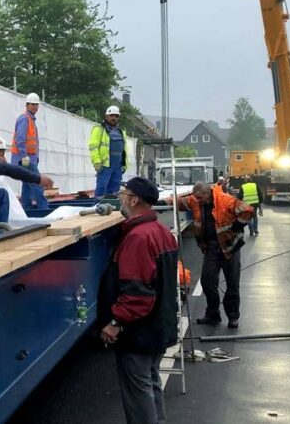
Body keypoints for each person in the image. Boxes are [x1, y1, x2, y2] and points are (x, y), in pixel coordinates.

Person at [99, 177, 178, 424]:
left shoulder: (138, 238)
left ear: (134, 200)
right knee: (151, 381)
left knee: (138, 391)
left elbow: (137, 295)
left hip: (140, 332)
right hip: (159, 326)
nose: (120, 197)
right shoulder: (162, 232)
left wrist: (115, 322)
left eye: (124, 193)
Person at [167, 182, 253, 328]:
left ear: (208, 193)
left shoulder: (226, 200)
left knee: (232, 283)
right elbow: (180, 202)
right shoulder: (195, 201)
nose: (197, 200)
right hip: (211, 248)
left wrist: (236, 226)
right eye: (196, 198)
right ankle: (213, 314)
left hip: (229, 247)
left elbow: (248, 210)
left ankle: (233, 316)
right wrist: (164, 200)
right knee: (207, 282)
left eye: (200, 198)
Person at [10, 93, 48, 210]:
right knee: (36, 183)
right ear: (27, 105)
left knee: (27, 185)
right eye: (32, 104)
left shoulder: (30, 120)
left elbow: (32, 142)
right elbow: (20, 139)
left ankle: (26, 209)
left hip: (28, 159)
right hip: (24, 159)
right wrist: (24, 155)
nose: (35, 107)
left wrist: (35, 158)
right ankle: (44, 210)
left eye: (36, 105)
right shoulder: (24, 119)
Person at [89, 105, 128, 198]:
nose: (114, 118)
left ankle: (112, 209)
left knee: (115, 191)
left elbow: (124, 150)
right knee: (101, 189)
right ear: (106, 116)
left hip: (118, 166)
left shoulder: (121, 132)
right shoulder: (99, 129)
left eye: (116, 116)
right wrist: (97, 161)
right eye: (111, 115)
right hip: (105, 166)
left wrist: (124, 164)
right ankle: (98, 208)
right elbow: (93, 146)